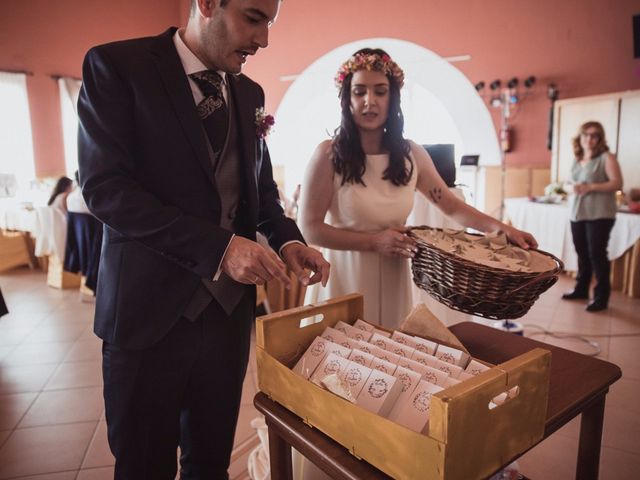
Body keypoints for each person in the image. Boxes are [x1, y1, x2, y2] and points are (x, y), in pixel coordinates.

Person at [77, 1, 329, 478]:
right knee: (143, 465)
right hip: (146, 314)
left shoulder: (250, 93)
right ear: (208, 4)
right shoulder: (117, 67)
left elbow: (261, 191)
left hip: (227, 318)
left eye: (270, 24)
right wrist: (219, 249)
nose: (264, 40)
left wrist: (288, 239)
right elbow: (106, 191)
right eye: (254, 18)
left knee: (209, 461)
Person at [299, 48, 537, 329]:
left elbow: (452, 206)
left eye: (380, 91)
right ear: (346, 99)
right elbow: (310, 228)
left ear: (393, 97)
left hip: (393, 272)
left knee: (390, 358)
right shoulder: (328, 154)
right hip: (344, 277)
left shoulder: (412, 154)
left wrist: (502, 230)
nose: (369, 101)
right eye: (359, 91)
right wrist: (375, 242)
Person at [561, 121, 622, 312]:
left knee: (597, 254)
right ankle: (581, 289)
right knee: (582, 253)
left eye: (594, 135)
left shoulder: (606, 157)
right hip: (578, 213)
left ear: (600, 138)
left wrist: (590, 187)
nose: (589, 138)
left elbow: (617, 183)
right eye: (586, 134)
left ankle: (601, 297)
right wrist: (570, 188)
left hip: (600, 214)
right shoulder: (577, 158)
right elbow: (567, 183)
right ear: (580, 137)